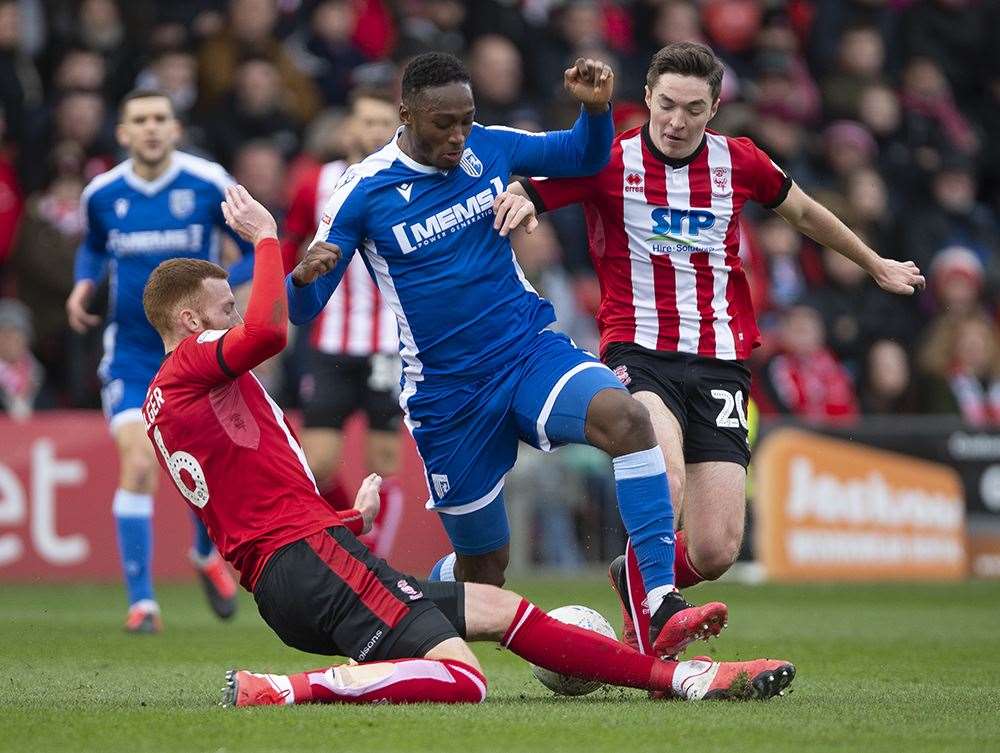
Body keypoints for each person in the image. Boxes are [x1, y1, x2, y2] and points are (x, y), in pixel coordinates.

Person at [140, 183, 796, 707]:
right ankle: (284, 690)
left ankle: (680, 680)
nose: (235, 315)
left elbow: (245, 498)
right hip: (308, 563)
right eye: (223, 308)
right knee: (464, 677)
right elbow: (267, 334)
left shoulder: (161, 403)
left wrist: (343, 519)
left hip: (300, 565)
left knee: (500, 609)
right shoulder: (194, 359)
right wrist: (263, 239)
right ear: (190, 321)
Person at [286, 51, 727, 660]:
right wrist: (303, 277)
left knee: (628, 420)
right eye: (444, 123)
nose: (458, 136)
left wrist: (595, 111)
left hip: (526, 350)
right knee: (485, 575)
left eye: (467, 120)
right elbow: (304, 308)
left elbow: (582, 156)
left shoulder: (489, 146)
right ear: (406, 114)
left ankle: (657, 600)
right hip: (447, 394)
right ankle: (420, 597)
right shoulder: (360, 192)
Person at [502, 42, 925, 653]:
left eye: (693, 109)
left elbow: (804, 212)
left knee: (717, 549)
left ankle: (639, 577)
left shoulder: (740, 161)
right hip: (637, 351)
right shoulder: (609, 159)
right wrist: (520, 198)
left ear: (715, 107)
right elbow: (534, 190)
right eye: (667, 105)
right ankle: (658, 608)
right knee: (662, 470)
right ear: (646, 97)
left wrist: (875, 263)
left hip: (720, 361)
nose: (677, 122)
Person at [65, 89, 254, 634]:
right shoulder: (103, 193)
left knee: (206, 467)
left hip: (196, 355)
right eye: (139, 120)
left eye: (160, 119)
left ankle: (202, 554)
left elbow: (250, 246)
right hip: (129, 357)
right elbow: (94, 247)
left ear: (176, 129)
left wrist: (226, 302)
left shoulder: (207, 181)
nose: (151, 128)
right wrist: (83, 286)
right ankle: (143, 602)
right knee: (142, 463)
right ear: (123, 133)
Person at [283, 88, 404, 557]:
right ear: (348, 129)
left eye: (383, 123)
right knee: (318, 465)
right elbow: (292, 246)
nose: (375, 131)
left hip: (388, 345)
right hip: (330, 342)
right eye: (366, 122)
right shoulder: (316, 183)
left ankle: (377, 561)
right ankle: (351, 537)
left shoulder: (404, 181)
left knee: (384, 464)